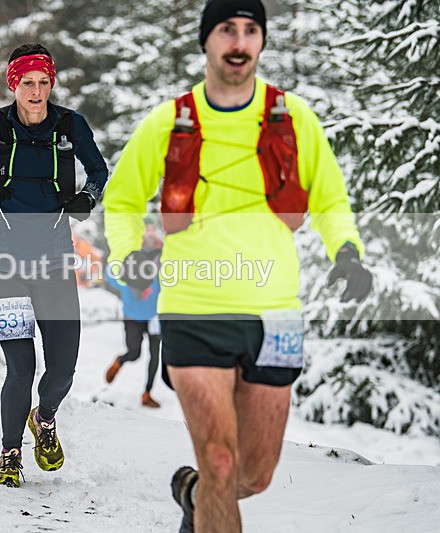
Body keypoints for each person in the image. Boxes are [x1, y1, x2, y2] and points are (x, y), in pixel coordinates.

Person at [102, 0, 373, 530]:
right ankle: (209, 490)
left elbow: (332, 201)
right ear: (207, 40)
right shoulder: (170, 121)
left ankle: (196, 496)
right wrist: (127, 255)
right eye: (227, 29)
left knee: (253, 474)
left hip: (275, 315)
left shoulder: (294, 119)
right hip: (192, 310)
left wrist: (348, 253)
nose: (239, 42)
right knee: (222, 460)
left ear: (262, 41)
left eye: (251, 30)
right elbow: (123, 200)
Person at [0, 43, 108, 487]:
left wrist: (87, 197)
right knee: (21, 367)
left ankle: (43, 417)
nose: (35, 91)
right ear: (14, 85)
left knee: (64, 366)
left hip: (53, 262)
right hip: (2, 263)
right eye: (27, 82)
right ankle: (9, 457)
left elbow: (98, 171)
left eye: (43, 82)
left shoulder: (71, 125)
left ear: (51, 83)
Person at [104, 221, 163, 408]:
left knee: (155, 356)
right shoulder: (129, 258)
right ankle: (120, 361)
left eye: (153, 231)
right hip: (132, 316)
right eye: (147, 231)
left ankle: (147, 393)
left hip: (153, 317)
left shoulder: (161, 259)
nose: (150, 235)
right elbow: (110, 277)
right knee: (135, 353)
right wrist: (127, 287)